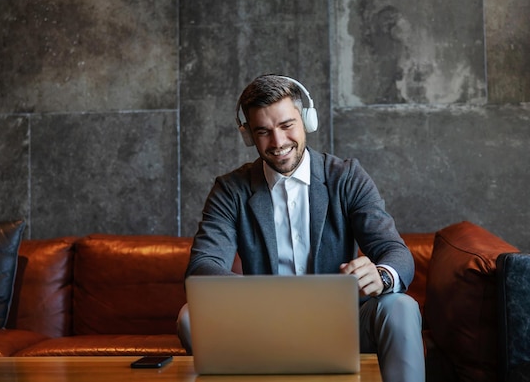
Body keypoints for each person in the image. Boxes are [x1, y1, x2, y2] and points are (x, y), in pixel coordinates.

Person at [177, 74, 425, 382]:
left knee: (400, 306)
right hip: (261, 327)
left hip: (344, 324)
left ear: (307, 119)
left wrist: (381, 276)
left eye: (286, 125)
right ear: (249, 136)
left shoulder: (347, 177)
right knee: (190, 318)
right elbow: (203, 266)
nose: (278, 142)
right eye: (263, 132)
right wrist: (260, 302)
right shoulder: (230, 190)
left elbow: (394, 251)